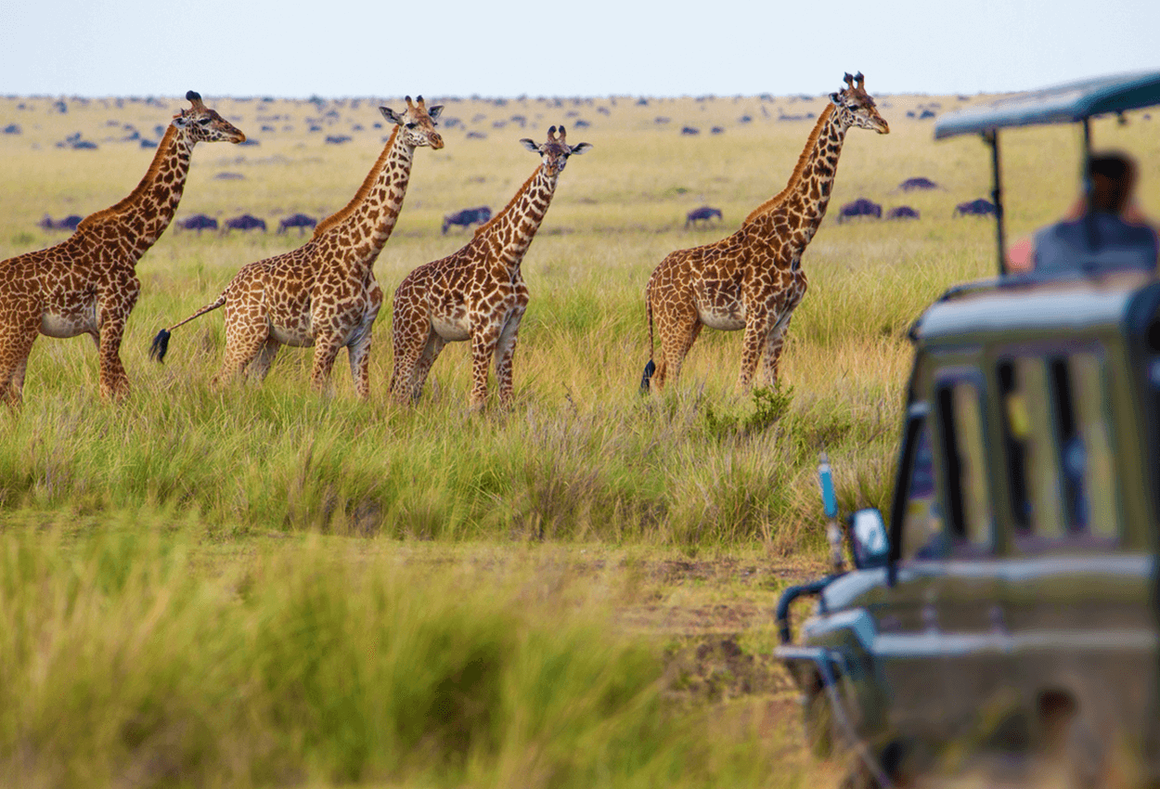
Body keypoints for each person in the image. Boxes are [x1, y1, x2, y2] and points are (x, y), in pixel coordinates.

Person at [1006, 152, 1159, 275]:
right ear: (1126, 191)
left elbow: (1015, 258)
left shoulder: (1055, 236)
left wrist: (1071, 216)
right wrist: (1139, 217)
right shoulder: (1143, 237)